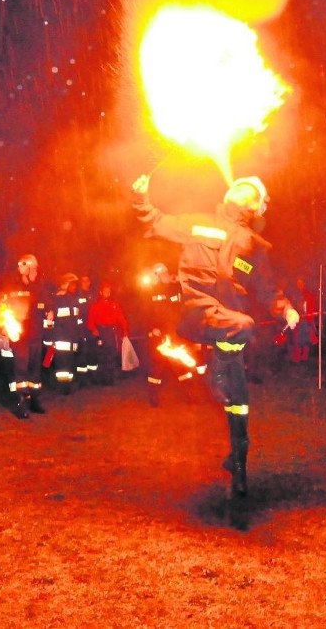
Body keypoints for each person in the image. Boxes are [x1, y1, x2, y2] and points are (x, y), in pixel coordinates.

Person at [132, 173, 299, 496]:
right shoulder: (198, 224)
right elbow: (158, 221)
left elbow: (265, 287)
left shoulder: (253, 245)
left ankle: (238, 461)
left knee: (239, 400)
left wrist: (285, 309)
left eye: (252, 193)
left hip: (228, 326)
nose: (243, 193)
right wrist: (141, 198)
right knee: (245, 326)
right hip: (200, 312)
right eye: (241, 188)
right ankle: (215, 375)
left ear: (256, 206)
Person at [0, 253, 54, 418]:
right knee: (21, 368)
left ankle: (34, 401)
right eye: (20, 265)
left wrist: (50, 312)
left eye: (24, 265)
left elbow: (47, 304)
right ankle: (20, 402)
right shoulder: (13, 286)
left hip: (35, 334)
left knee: (35, 370)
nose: (21, 267)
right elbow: (2, 306)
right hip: (20, 335)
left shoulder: (38, 287)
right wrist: (6, 327)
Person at [141, 262, 198, 407]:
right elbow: (144, 313)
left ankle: (190, 393)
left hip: (173, 332)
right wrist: (152, 327)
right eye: (163, 274)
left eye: (167, 273)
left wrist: (179, 280)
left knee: (179, 364)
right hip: (158, 336)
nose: (166, 276)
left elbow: (183, 304)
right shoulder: (150, 292)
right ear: (157, 277)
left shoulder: (174, 289)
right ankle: (153, 395)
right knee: (157, 367)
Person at [87, 281, 129, 386]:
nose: (107, 293)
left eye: (109, 291)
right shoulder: (95, 305)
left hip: (111, 332)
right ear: (101, 292)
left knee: (111, 354)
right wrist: (94, 330)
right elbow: (90, 321)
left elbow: (121, 318)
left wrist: (125, 330)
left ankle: (110, 379)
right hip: (101, 332)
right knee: (101, 355)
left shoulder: (114, 305)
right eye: (105, 291)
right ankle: (101, 378)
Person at [50, 273, 83, 393]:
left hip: (72, 337)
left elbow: (77, 319)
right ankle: (62, 386)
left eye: (75, 284)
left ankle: (67, 385)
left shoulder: (74, 299)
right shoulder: (58, 299)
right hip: (61, 337)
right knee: (62, 363)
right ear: (65, 285)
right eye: (72, 284)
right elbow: (54, 319)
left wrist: (79, 334)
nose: (75, 287)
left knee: (70, 362)